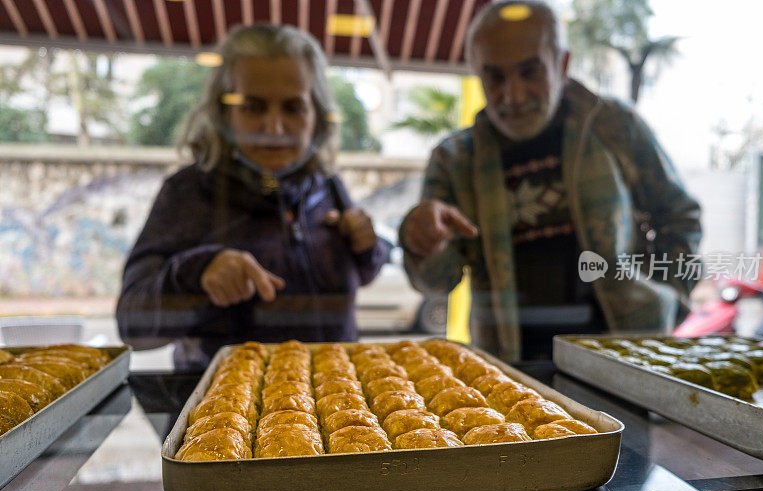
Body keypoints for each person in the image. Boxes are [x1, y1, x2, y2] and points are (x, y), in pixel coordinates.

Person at [399, 0, 702, 361]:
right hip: (507, 371)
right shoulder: (454, 160)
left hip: (623, 360)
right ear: (476, 73)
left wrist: (669, 299)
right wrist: (423, 243)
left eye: (530, 72)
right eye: (494, 77)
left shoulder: (613, 126)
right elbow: (438, 283)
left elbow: (680, 216)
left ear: (562, 65)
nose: (512, 95)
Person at [116, 24, 389, 369]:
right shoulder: (189, 192)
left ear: (316, 115)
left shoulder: (325, 184)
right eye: (253, 107)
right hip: (223, 415)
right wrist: (196, 272)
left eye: (293, 108)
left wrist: (367, 247)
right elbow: (132, 324)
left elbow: (361, 276)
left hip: (336, 409)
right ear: (222, 112)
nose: (274, 127)